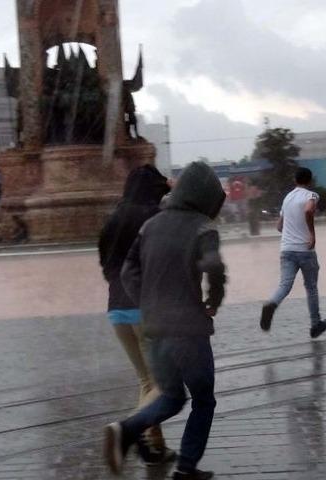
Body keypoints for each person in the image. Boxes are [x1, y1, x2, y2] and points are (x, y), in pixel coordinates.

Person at [104, 161, 227, 480]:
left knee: (172, 396)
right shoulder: (203, 227)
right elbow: (213, 266)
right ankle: (186, 468)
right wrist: (213, 300)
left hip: (155, 327)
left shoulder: (151, 225)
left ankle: (126, 429)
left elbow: (128, 271)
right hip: (189, 330)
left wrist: (147, 301)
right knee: (203, 399)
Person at [98, 164, 174, 465]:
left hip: (117, 310)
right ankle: (127, 430)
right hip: (146, 308)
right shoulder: (155, 217)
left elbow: (105, 265)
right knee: (166, 384)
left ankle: (155, 448)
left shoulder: (112, 218)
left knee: (147, 382)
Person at [260, 167, 326, 339]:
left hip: (286, 249)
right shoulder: (311, 195)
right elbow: (308, 210)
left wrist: (292, 227)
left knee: (284, 285)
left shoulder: (287, 198)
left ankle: (271, 304)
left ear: (295, 180)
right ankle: (315, 324)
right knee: (311, 288)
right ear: (310, 181)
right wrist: (312, 234)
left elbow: (279, 226)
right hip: (305, 250)